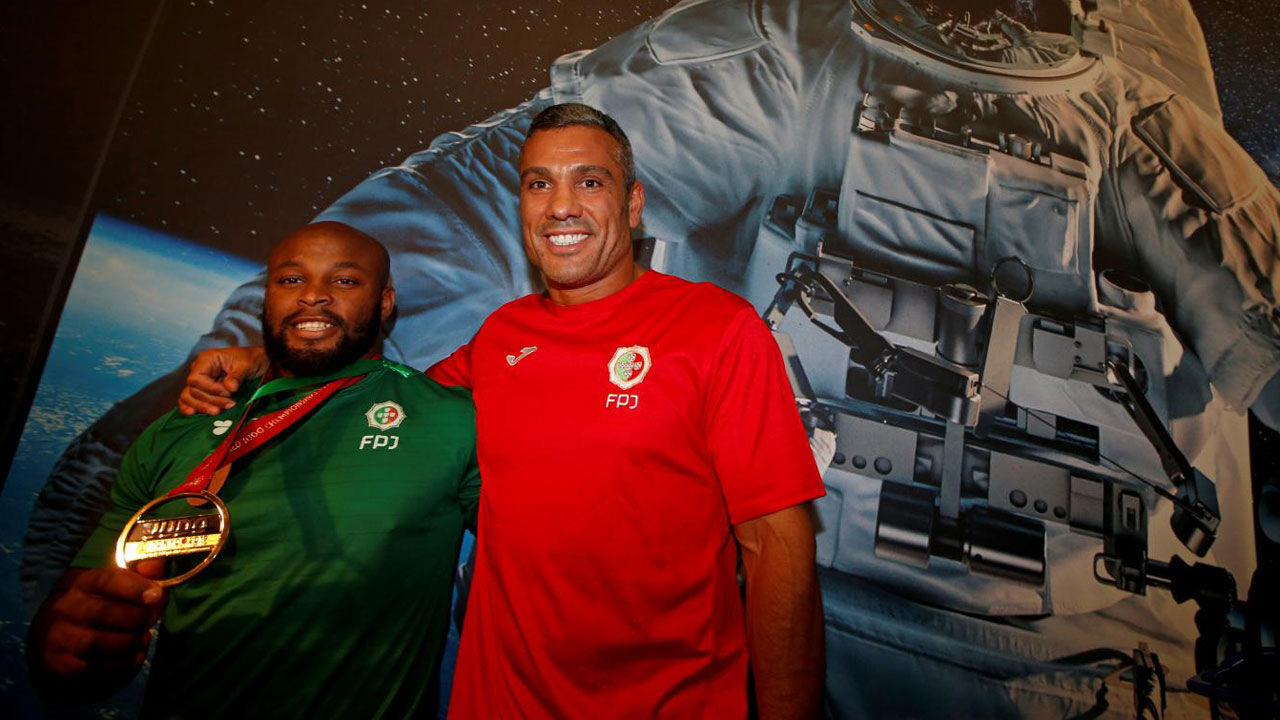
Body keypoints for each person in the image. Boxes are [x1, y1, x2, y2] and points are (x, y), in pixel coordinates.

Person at [27, 0, 1280, 716]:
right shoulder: (801, 54)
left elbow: (494, 197)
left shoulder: (1132, 123)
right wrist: (243, 368)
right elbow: (504, 198)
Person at [181, 103, 828, 719]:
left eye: (590, 182)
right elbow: (382, 399)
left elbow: (777, 547)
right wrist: (266, 360)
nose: (561, 205)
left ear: (633, 205)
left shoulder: (717, 328)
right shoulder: (501, 337)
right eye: (539, 184)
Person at [28, 222, 481, 718]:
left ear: (385, 302)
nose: (313, 295)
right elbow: (82, 611)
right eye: (291, 279)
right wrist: (69, 645)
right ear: (267, 296)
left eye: (345, 280)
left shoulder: (452, 421)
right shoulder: (181, 427)